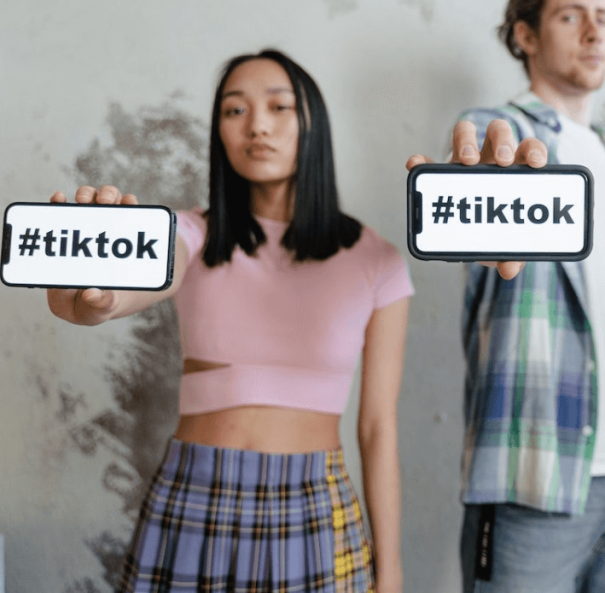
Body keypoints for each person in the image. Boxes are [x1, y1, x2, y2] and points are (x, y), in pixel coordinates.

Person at [48, 50, 411, 593]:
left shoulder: (377, 261)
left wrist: (392, 570)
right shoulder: (192, 234)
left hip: (315, 504)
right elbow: (144, 274)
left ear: (314, 122)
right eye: (234, 111)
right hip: (193, 495)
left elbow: (378, 429)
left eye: (279, 107)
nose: (256, 125)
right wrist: (95, 298)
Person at [408, 0, 605, 593]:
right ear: (526, 35)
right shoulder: (498, 133)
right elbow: (467, 199)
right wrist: (468, 192)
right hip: (535, 482)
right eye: (572, 16)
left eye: (604, 19)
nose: (595, 33)